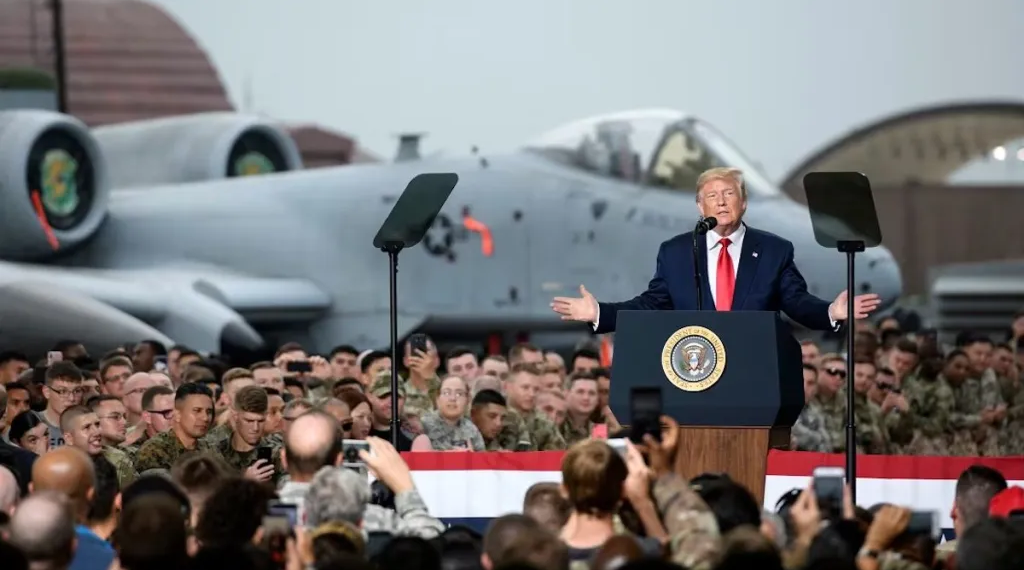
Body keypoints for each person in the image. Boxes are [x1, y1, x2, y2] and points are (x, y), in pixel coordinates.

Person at [550, 166, 880, 332]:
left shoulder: (773, 250)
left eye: (729, 194)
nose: (720, 202)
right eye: (711, 196)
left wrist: (830, 312)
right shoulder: (676, 251)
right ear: (699, 207)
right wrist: (599, 314)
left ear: (744, 202)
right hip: (693, 374)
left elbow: (796, 301)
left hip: (751, 377)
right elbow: (651, 304)